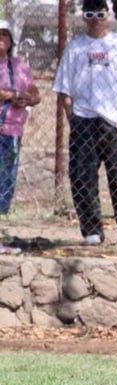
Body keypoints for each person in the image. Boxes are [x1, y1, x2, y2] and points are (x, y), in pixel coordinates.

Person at [53, 0, 117, 248]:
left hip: (113, 120)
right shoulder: (75, 48)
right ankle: (92, 230)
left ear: (108, 14)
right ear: (84, 17)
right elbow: (64, 90)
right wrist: (74, 120)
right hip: (84, 119)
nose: (96, 18)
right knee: (82, 176)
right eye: (90, 13)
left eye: (100, 12)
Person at [0, 19, 41, 239]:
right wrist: (10, 95)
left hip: (12, 129)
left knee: (7, 174)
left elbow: (35, 95)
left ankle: (2, 214)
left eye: (4, 35)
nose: (1, 39)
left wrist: (25, 98)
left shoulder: (20, 67)